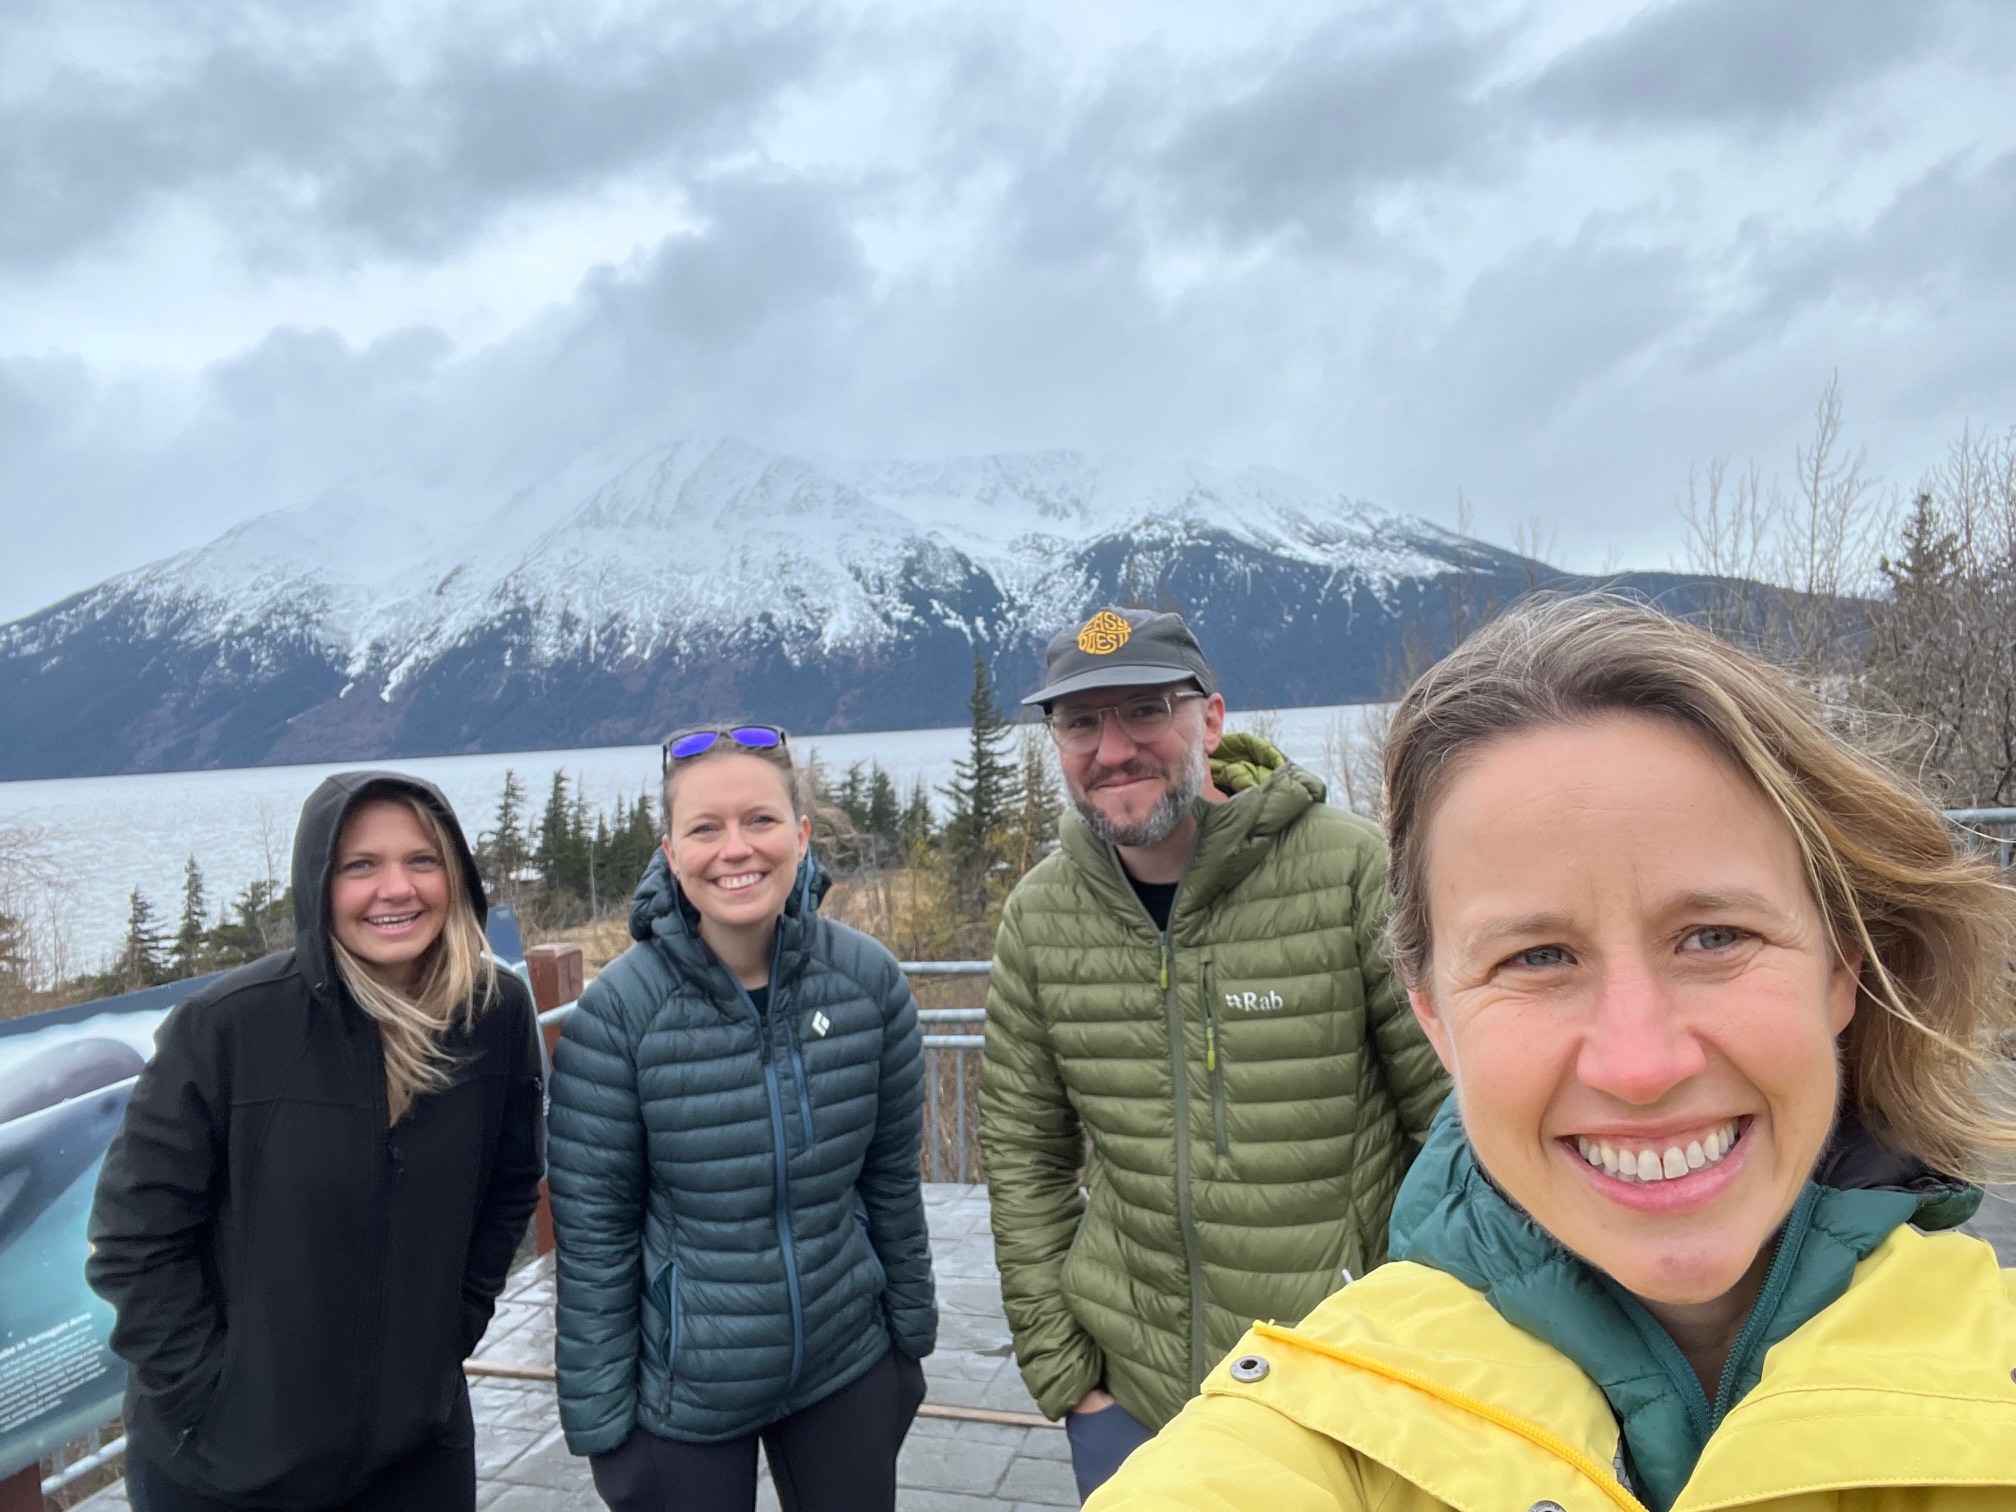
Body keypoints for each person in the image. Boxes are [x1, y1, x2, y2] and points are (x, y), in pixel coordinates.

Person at [1089, 593, 2016, 1512]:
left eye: (1715, 936)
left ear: (1839, 971)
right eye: (1537, 958)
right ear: (1435, 1018)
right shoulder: (1311, 1443)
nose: (1640, 1062)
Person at [979, 607, 1450, 1501]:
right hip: (1135, 1403)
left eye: (1146, 710)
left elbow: (1455, 1130)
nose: (1113, 748)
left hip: (1342, 1394)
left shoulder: (1351, 872)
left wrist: (1415, 1342)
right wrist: (1071, 1379)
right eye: (1080, 722)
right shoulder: (1041, 920)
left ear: (1213, 718)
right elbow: (1022, 1158)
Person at [87, 771, 546, 1512]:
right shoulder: (229, 1029)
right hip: (223, 1471)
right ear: (316, 882)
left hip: (414, 1454)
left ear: (456, 875)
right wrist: (214, 1398)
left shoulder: (492, 1015)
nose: (396, 888)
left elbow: (510, 1182)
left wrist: (452, 1325)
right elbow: (134, 1242)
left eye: (422, 861)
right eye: (360, 865)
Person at [548, 724, 935, 1512]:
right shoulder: (618, 1017)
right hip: (686, 1395)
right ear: (669, 849)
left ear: (800, 835)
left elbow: (891, 1178)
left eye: (759, 820)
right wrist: (601, 1428)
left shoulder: (868, 986)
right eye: (704, 827)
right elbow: (594, 1238)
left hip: (844, 1362)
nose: (736, 849)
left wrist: (910, 1343)